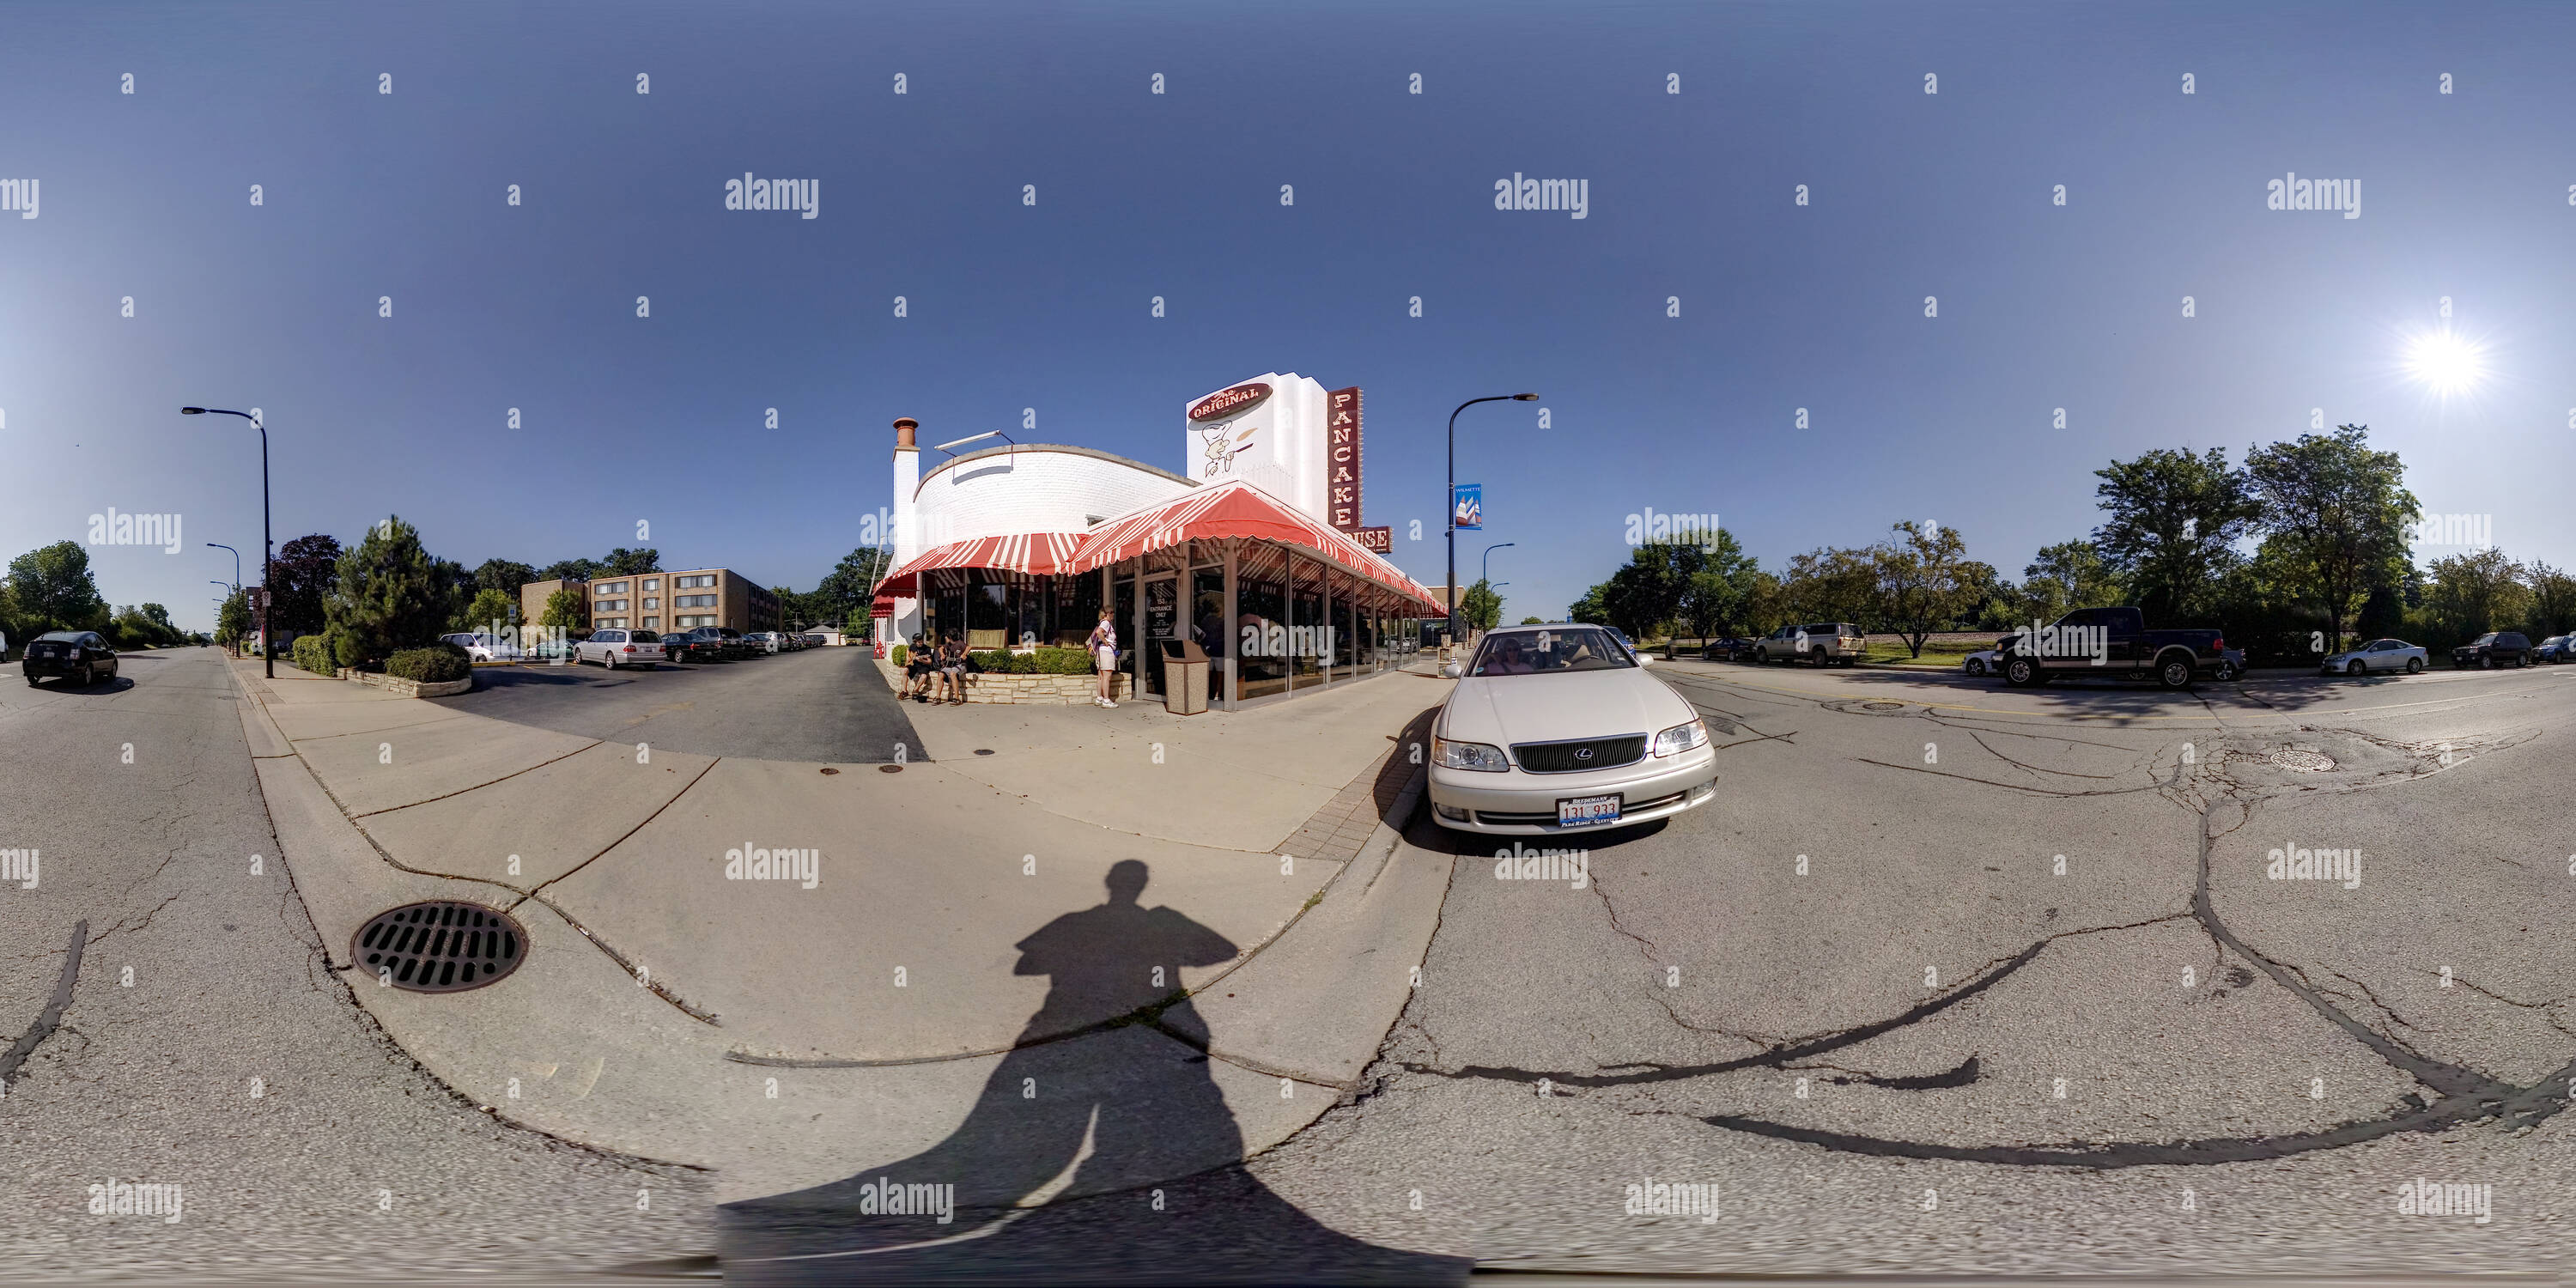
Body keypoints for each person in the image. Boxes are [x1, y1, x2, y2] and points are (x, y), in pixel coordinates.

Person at [1085, 608, 1119, 708]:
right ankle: (1106, 700)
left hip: (1101, 652)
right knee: (1107, 677)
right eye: (1112, 613)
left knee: (1101, 676)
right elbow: (1099, 632)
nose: (1113, 615)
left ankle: (1099, 698)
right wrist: (1105, 641)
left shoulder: (1102, 622)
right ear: (1108, 614)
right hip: (1106, 652)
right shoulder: (1106, 623)